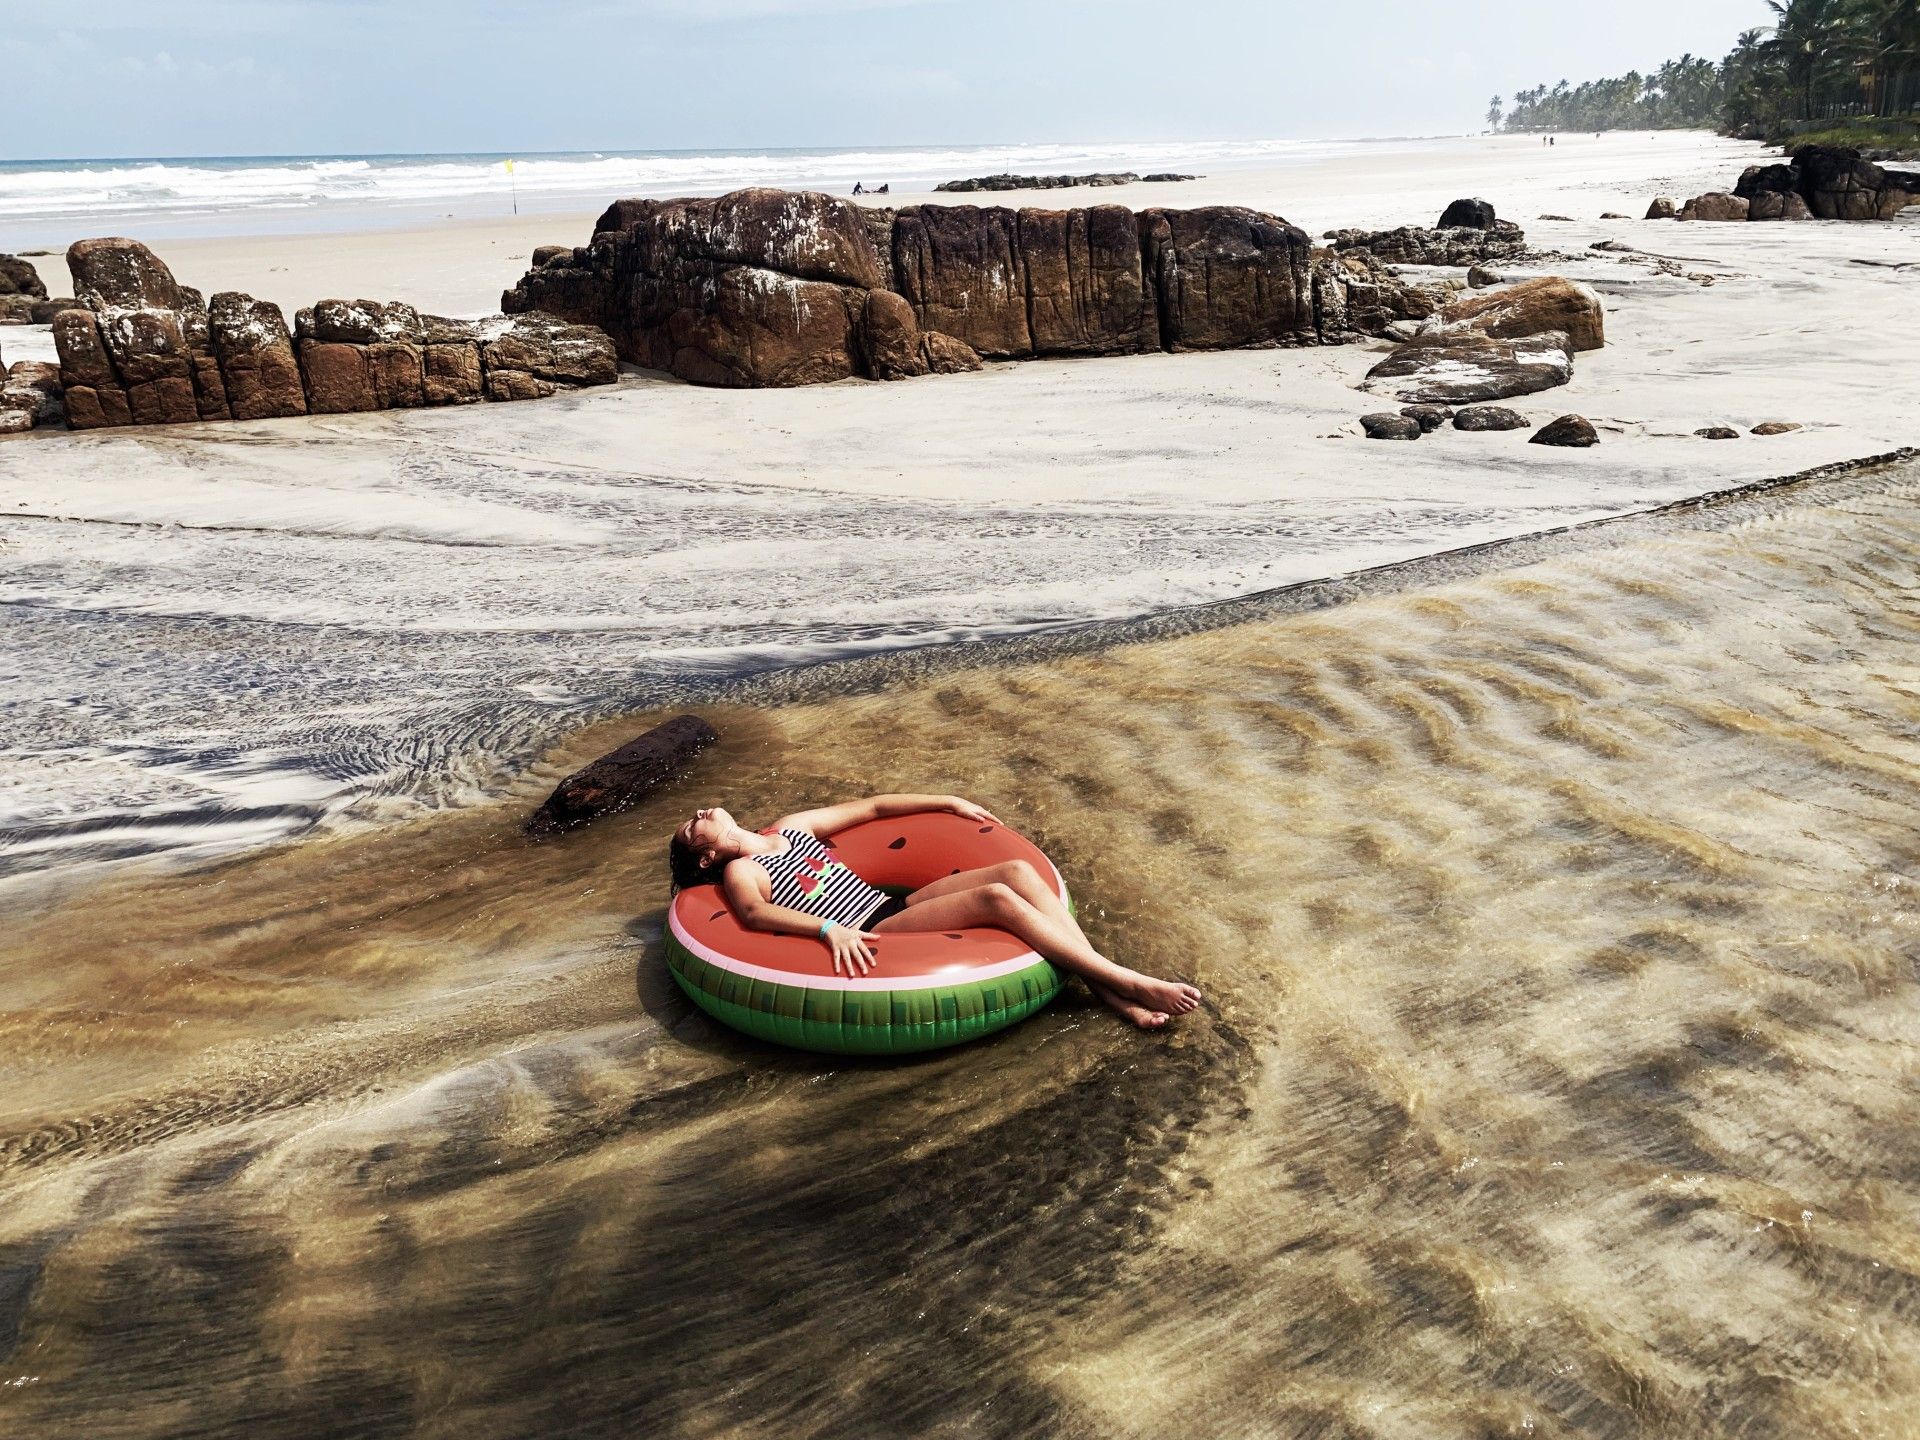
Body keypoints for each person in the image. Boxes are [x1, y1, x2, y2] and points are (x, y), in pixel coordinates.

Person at [670, 794, 1203, 1030]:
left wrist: (947, 802)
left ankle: (1112, 994)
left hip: (895, 905)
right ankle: (1127, 984)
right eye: (694, 826)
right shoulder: (742, 870)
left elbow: (874, 807)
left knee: (1017, 872)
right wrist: (828, 928)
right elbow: (755, 915)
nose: (699, 812)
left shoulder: (789, 828)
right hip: (874, 928)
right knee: (996, 900)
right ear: (707, 856)